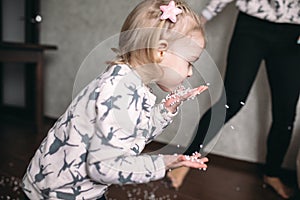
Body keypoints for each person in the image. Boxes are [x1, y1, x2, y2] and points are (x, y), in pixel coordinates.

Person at [22, 0, 211, 199]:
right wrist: (163, 163)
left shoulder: (129, 82)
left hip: (68, 187)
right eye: (190, 62)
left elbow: (131, 136)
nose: (190, 73)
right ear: (160, 52)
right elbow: (103, 167)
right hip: (61, 193)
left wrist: (165, 110)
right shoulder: (120, 93)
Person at [167, 0, 300, 199]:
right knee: (231, 102)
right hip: (252, 26)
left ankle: (272, 173)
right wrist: (201, 19)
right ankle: (187, 160)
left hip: (293, 36)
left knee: (285, 114)